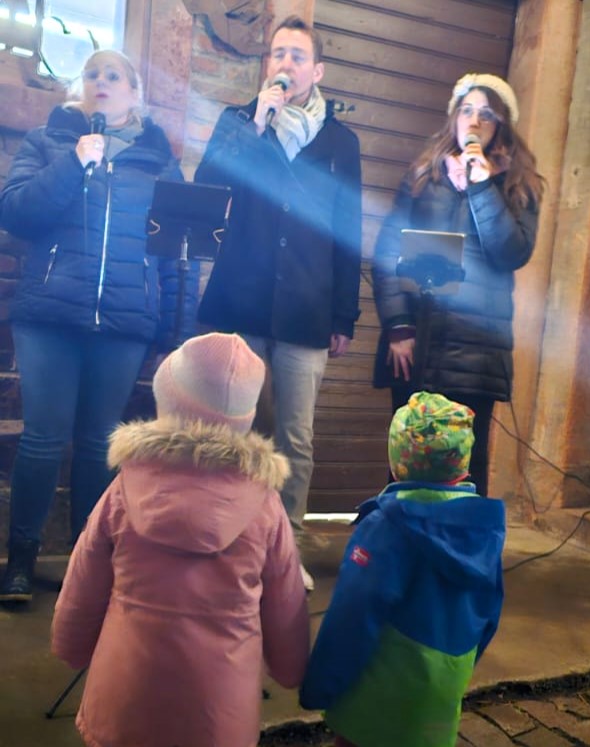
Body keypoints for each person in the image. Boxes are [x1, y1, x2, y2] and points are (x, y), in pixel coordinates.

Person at [0, 49, 197, 603]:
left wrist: (176, 335)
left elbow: (176, 252)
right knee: (42, 440)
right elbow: (16, 212)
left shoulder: (158, 161)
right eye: (92, 74)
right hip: (50, 316)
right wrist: (74, 161)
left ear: (135, 93)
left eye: (114, 75)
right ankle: (20, 562)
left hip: (124, 321)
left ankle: (86, 565)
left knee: (96, 445)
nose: (101, 82)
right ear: (78, 88)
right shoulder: (49, 142)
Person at [52, 332, 310, 747]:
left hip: (123, 699)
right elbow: (286, 600)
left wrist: (71, 646)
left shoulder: (125, 489)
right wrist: (290, 667)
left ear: (167, 403)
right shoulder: (265, 505)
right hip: (220, 713)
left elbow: (84, 581)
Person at [194, 15, 362, 592]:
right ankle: (226, 541)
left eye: (297, 56)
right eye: (277, 54)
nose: (285, 64)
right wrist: (256, 125)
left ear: (318, 71)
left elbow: (348, 230)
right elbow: (207, 185)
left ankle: (284, 551)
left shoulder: (341, 143)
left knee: (296, 437)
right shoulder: (239, 120)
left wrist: (344, 315)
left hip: (307, 308)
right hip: (241, 301)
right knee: (232, 430)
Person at [300, 391, 505, 747]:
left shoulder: (385, 526)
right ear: (463, 464)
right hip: (441, 695)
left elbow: (352, 615)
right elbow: (490, 611)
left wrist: (320, 685)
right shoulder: (483, 526)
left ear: (397, 462)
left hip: (378, 699)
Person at [372, 73, 543, 496]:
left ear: (501, 125)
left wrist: (482, 187)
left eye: (486, 114)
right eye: (466, 110)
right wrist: (398, 327)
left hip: (475, 353)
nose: (474, 121)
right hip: (418, 343)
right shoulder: (423, 175)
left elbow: (511, 253)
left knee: (466, 465)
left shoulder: (518, 185)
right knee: (406, 457)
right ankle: (399, 533)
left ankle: (459, 537)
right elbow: (387, 250)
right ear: (453, 118)